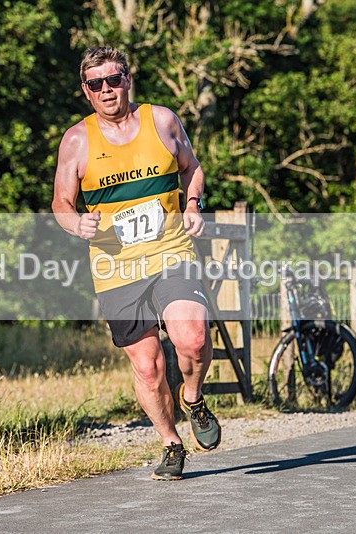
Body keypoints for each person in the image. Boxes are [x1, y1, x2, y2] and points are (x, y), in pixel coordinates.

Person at [52, 46, 221, 480]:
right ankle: (170, 442)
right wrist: (76, 225)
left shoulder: (161, 120)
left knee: (194, 339)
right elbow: (61, 202)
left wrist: (193, 203)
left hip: (171, 251)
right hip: (116, 266)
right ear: (86, 91)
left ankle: (193, 397)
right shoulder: (76, 141)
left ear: (128, 79)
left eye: (114, 79)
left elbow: (192, 168)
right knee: (147, 366)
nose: (107, 90)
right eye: (96, 84)